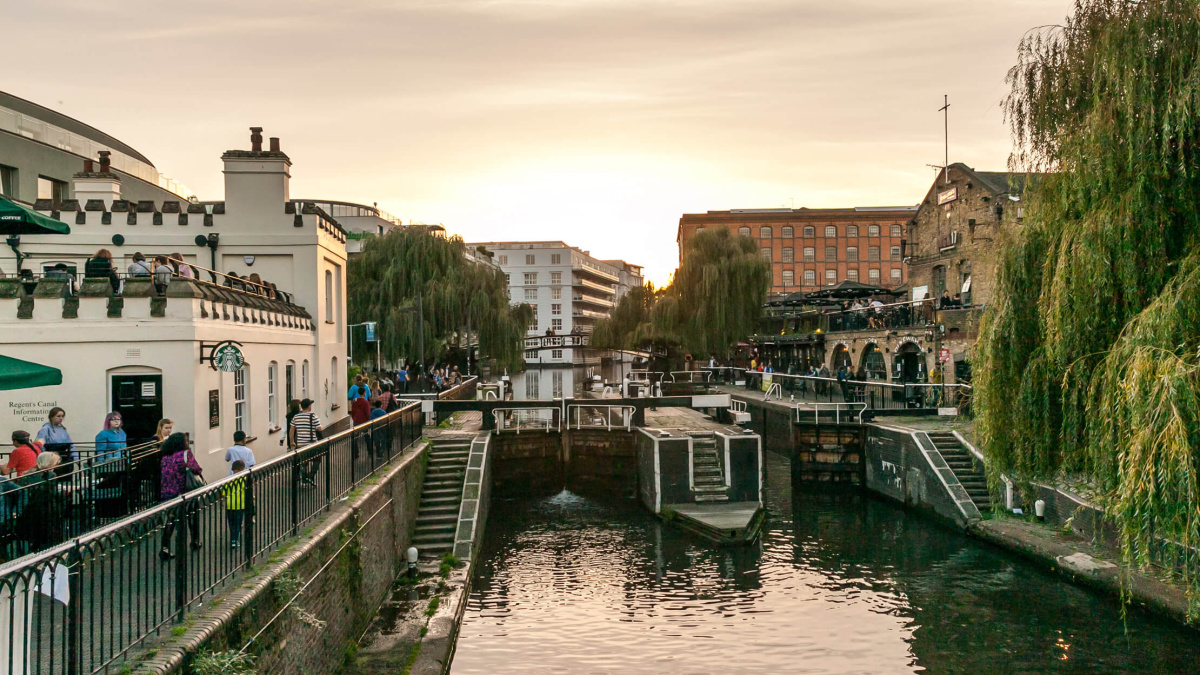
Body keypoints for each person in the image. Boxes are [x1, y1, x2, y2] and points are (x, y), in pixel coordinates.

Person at [158, 433, 203, 560]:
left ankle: (164, 547)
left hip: (169, 492)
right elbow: (196, 469)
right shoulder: (185, 454)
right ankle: (195, 541)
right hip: (185, 491)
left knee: (171, 520)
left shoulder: (165, 457)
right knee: (192, 515)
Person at [292, 399, 324, 487]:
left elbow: (292, 430)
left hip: (301, 444)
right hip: (312, 444)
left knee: (303, 463)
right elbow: (319, 429)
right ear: (309, 406)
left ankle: (305, 479)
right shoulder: (313, 416)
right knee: (317, 460)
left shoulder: (296, 417)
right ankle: (310, 476)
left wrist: (292, 442)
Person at [225, 460, 249, 549]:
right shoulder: (244, 480)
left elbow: (224, 492)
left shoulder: (229, 480)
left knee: (231, 523)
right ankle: (235, 539)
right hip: (240, 505)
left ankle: (233, 538)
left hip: (229, 505)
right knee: (238, 523)